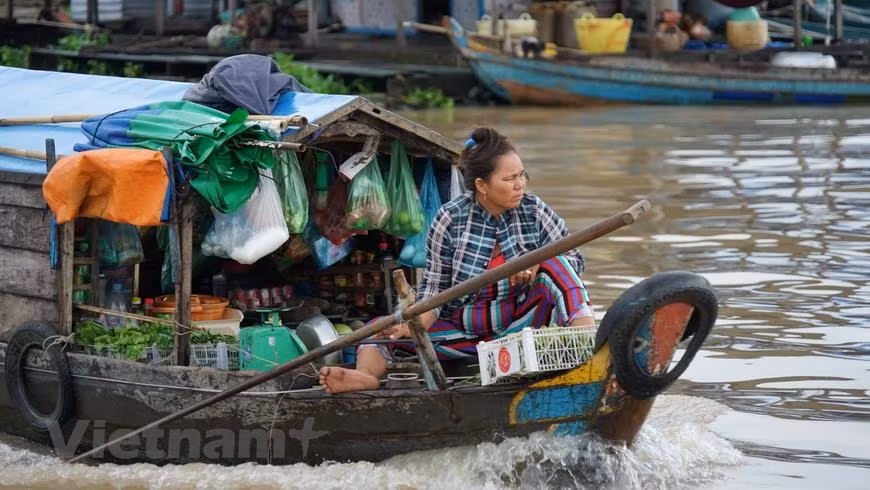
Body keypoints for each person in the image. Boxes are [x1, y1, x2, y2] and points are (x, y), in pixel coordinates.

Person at [319, 127, 595, 393]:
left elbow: (574, 261)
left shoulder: (534, 210)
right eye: (509, 179)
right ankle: (365, 377)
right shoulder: (450, 219)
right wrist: (410, 325)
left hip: (523, 326)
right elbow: (434, 291)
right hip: (464, 333)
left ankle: (586, 346)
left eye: (521, 176)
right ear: (481, 185)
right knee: (376, 331)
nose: (519, 185)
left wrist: (536, 261)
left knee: (555, 262)